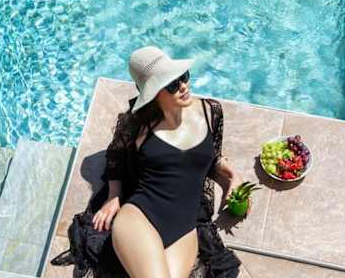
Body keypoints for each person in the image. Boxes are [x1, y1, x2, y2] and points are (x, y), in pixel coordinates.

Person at [92, 46, 245, 278]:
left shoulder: (210, 111)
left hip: (185, 228)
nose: (183, 86)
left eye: (183, 76)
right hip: (140, 217)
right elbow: (116, 157)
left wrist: (233, 176)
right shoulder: (139, 125)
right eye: (172, 84)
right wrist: (114, 196)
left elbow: (210, 157)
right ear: (154, 93)